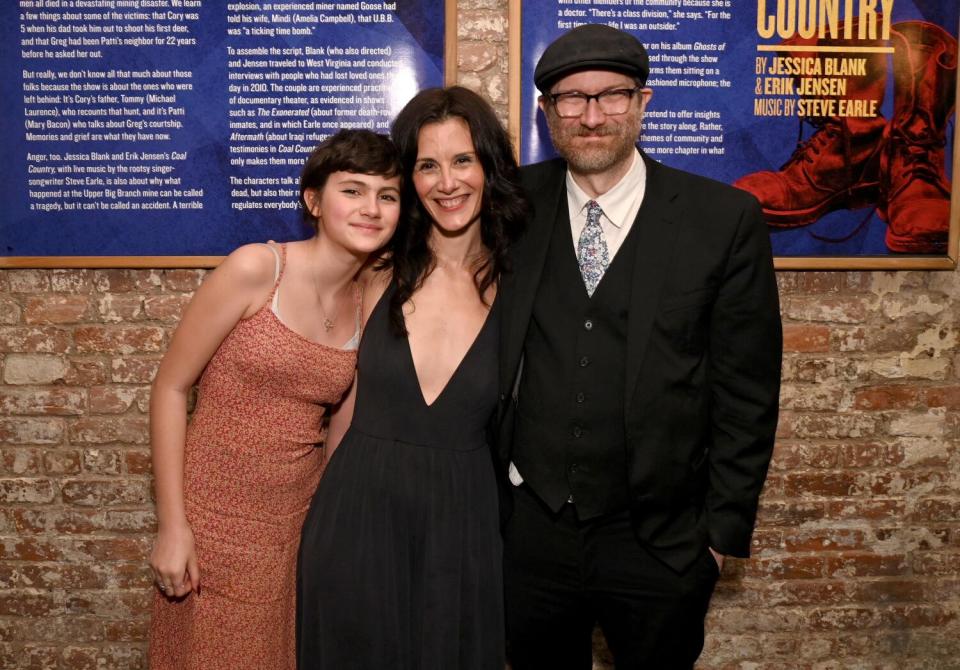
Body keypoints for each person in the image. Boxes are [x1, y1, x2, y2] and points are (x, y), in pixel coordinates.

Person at [497, 24, 783, 669]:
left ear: (644, 102)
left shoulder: (722, 218)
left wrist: (717, 535)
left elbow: (748, 387)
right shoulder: (511, 206)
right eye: (571, 99)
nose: (592, 116)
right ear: (546, 112)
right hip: (529, 533)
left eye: (612, 96)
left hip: (660, 538)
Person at [148, 129, 402, 670]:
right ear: (313, 199)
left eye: (388, 194)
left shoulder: (370, 298)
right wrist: (173, 527)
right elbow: (169, 389)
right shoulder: (257, 269)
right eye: (352, 190)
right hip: (212, 516)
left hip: (296, 521)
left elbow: (342, 428)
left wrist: (331, 528)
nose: (372, 208)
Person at [296, 86, 527, 669]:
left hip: (464, 524)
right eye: (427, 165)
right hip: (358, 516)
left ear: (488, 166)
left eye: (462, 160)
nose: (447, 182)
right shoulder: (374, 271)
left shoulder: (520, 282)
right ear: (410, 177)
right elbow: (320, 387)